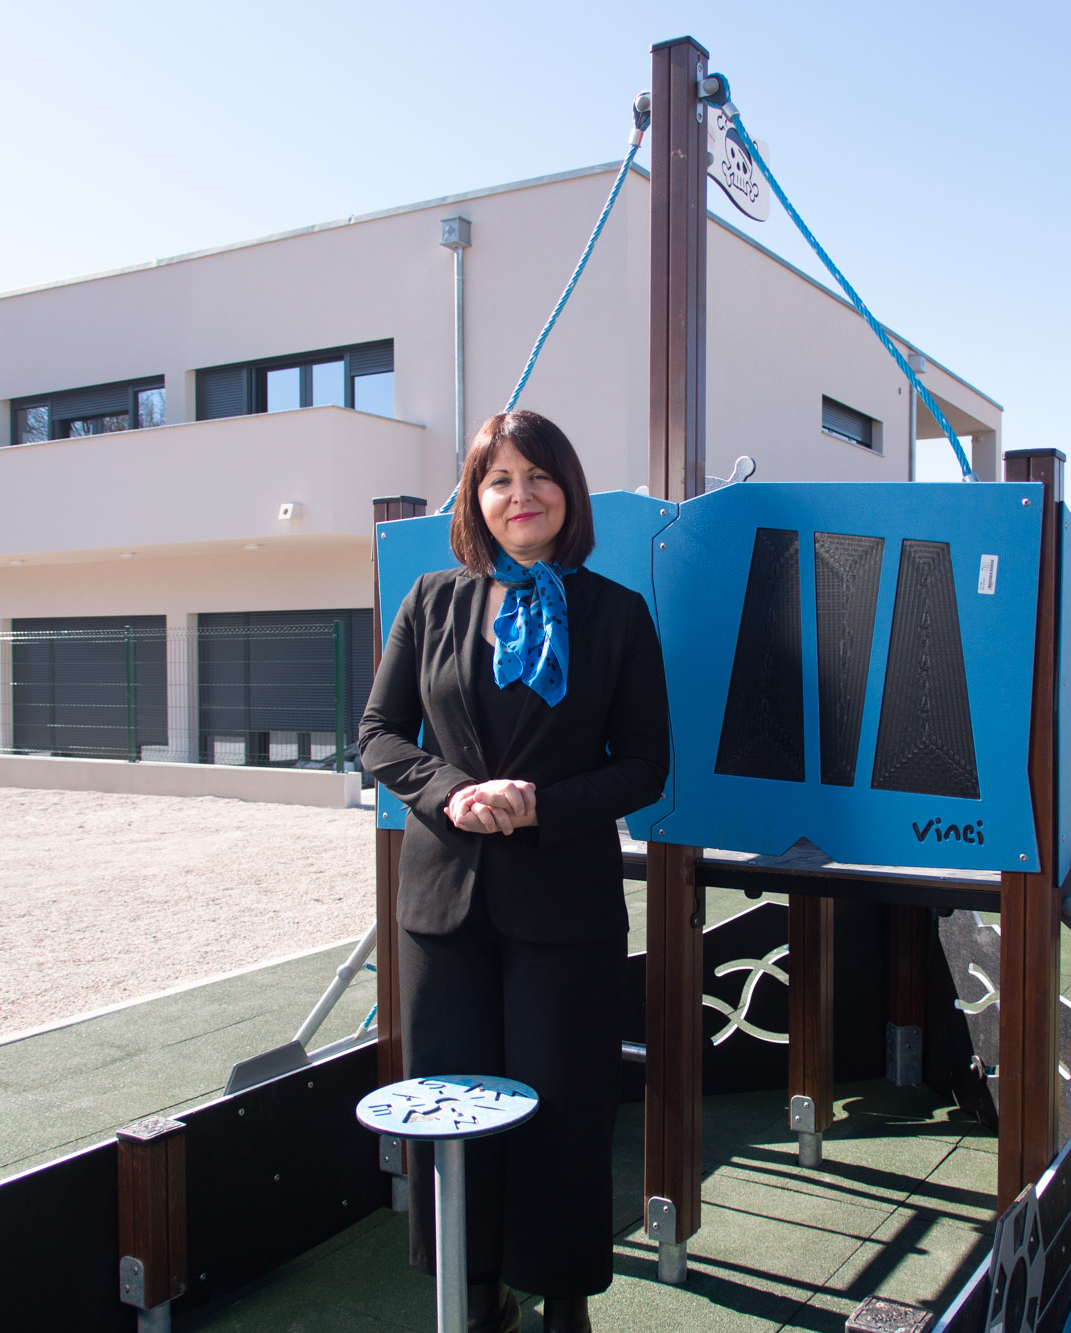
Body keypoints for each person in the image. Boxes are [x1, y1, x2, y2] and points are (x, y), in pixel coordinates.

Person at [360, 410, 670, 1333]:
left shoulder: (617, 613)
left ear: (568, 491)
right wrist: (452, 792)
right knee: (452, 1102)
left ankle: (563, 1300)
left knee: (564, 1106)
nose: (519, 494)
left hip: (564, 903)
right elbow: (378, 735)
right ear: (475, 498)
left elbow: (645, 766)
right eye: (498, 479)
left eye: (538, 475)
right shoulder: (430, 602)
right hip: (442, 905)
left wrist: (540, 805)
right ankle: (473, 1287)